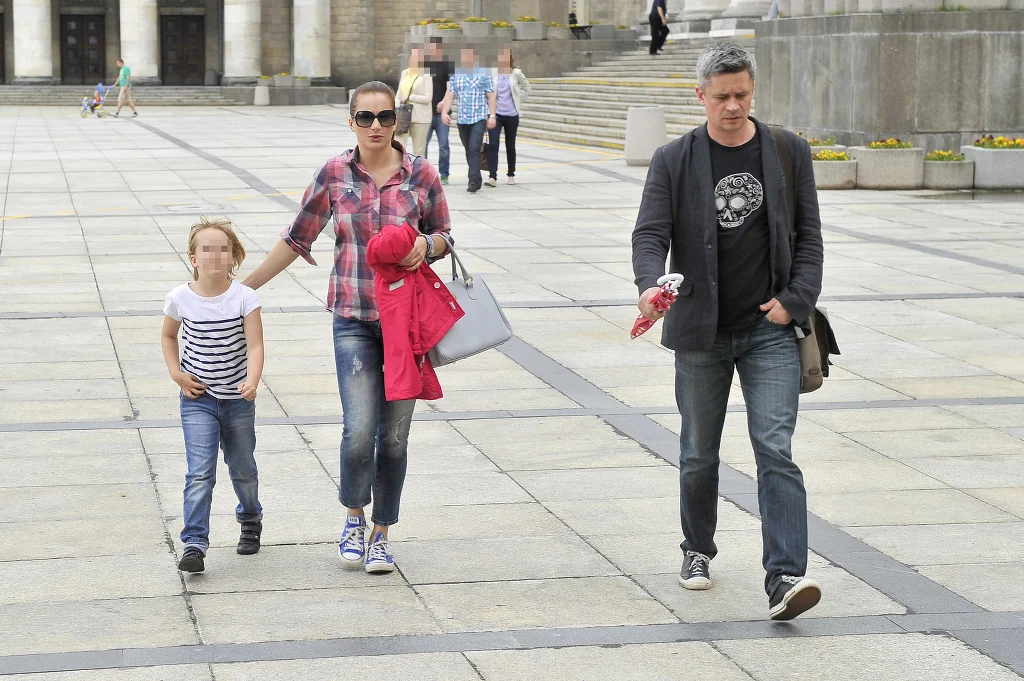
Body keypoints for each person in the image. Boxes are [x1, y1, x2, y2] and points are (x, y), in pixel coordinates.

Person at [631, 42, 825, 620]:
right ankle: (697, 548)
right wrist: (649, 283)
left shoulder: (788, 151)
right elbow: (650, 234)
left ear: (752, 92)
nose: (734, 106)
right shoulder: (675, 158)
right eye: (722, 97)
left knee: (775, 448)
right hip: (700, 331)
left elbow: (810, 238)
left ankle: (786, 576)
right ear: (701, 97)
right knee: (697, 453)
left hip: (769, 329)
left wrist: (793, 303)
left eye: (742, 94)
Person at [242, 81, 453, 574]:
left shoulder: (421, 174)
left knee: (395, 436)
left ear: (397, 120)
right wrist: (245, 290)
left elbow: (444, 233)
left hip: (407, 327)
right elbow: (297, 238)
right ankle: (354, 518)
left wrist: (429, 245)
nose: (375, 126)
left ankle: (382, 531)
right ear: (351, 121)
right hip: (353, 319)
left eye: (384, 117)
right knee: (359, 429)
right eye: (365, 117)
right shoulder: (335, 173)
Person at [161, 217, 265, 574]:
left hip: (237, 401)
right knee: (200, 473)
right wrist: (177, 374)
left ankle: (250, 517)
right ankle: (194, 542)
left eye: (223, 249)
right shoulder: (179, 298)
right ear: (194, 257)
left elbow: (255, 345)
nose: (215, 255)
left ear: (233, 257)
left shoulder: (244, 298)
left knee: (242, 469)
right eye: (207, 249)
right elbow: (169, 337)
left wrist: (252, 381)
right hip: (198, 399)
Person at [440, 48, 496, 193]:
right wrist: (445, 112)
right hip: (462, 119)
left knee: (474, 148)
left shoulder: (484, 74)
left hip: (479, 117)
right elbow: (450, 94)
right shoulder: (456, 75)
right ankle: (476, 177)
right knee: (468, 150)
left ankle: (474, 180)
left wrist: (492, 116)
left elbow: (491, 96)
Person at [485, 48, 530, 187]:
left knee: (510, 145)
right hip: (496, 114)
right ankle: (492, 176)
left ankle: (511, 174)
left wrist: (518, 101)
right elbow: (488, 91)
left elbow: (527, 88)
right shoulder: (493, 74)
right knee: (493, 144)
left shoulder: (515, 73)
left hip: (512, 115)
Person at [423, 37, 453, 184]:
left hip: (442, 113)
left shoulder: (448, 65)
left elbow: (450, 87)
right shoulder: (424, 66)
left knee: (443, 145)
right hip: (425, 113)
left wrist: (444, 102)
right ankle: (424, 174)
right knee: (423, 145)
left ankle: (444, 174)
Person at [396, 46, 434, 157]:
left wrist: (410, 97)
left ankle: (418, 174)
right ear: (410, 58)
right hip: (403, 116)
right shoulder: (405, 73)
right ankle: (399, 173)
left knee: (419, 152)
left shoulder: (426, 75)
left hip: (420, 117)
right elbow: (399, 94)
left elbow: (428, 98)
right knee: (398, 149)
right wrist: (397, 105)